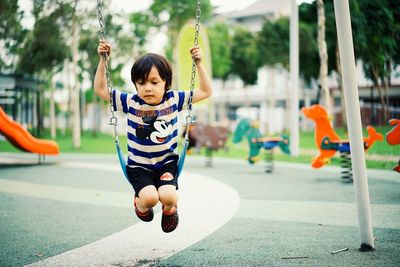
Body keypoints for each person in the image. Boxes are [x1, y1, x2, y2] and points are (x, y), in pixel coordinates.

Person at [94, 40, 212, 233]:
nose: (147, 88)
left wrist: (199, 64)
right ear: (135, 85)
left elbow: (206, 91)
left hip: (166, 164)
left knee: (168, 196)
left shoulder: (174, 100)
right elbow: (100, 90)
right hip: (139, 167)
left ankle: (170, 209)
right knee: (149, 199)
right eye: (141, 83)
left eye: (154, 82)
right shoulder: (130, 102)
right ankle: (140, 204)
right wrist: (102, 62)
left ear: (166, 82)